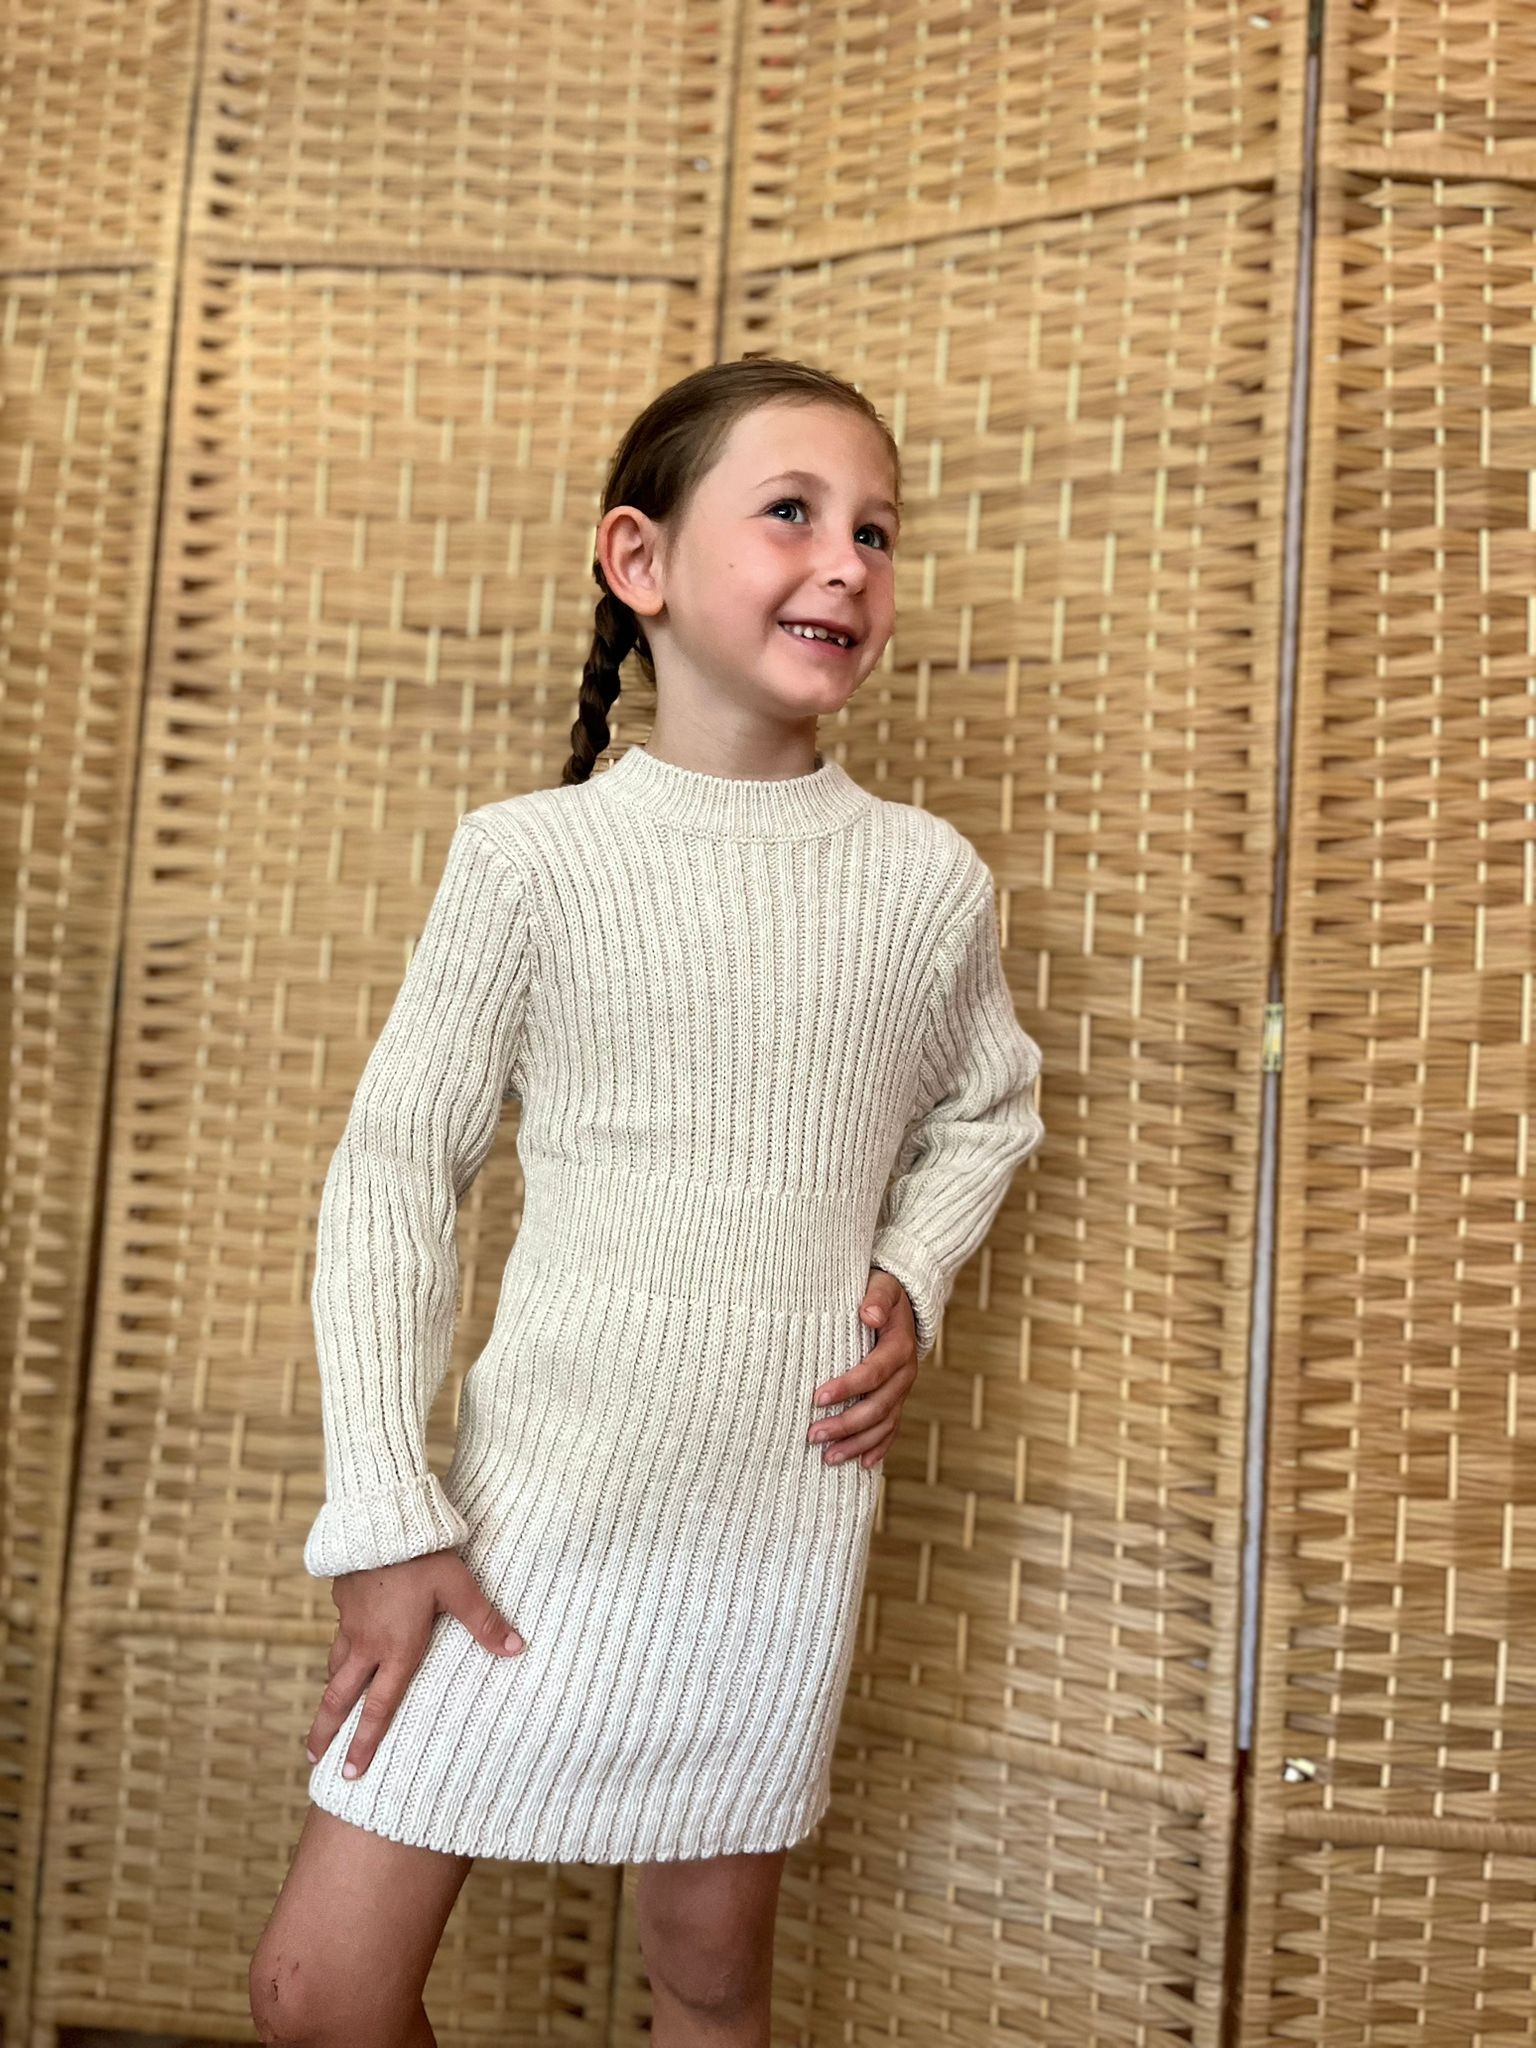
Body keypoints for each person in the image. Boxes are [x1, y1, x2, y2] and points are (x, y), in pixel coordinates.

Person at [250, 355, 1046, 2047]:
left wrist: (912, 1270)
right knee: (319, 1995)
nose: (847, 563)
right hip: (527, 1513)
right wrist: (386, 1513)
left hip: (769, 1523)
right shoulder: (530, 862)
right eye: (793, 513)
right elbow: (395, 1169)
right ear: (641, 560)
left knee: (706, 1982)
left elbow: (991, 1104)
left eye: (878, 531)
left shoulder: (925, 884)